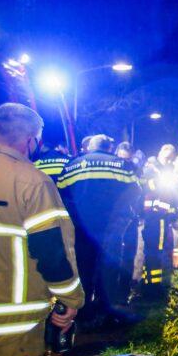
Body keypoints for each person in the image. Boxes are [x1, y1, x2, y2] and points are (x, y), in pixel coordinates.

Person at [0, 103, 84, 356]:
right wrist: (71, 301)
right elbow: (52, 253)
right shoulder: (30, 181)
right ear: (32, 141)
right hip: (11, 324)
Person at [57, 134, 141, 327]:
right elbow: (136, 193)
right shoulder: (122, 165)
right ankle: (107, 310)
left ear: (89, 147)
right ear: (110, 148)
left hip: (82, 228)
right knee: (108, 268)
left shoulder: (72, 165)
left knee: (83, 268)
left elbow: (61, 194)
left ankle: (84, 313)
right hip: (111, 228)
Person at [140, 145, 178, 293]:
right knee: (154, 251)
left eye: (171, 160)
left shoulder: (163, 170)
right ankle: (152, 288)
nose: (169, 162)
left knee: (155, 251)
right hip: (155, 217)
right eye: (168, 159)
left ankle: (150, 283)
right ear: (161, 154)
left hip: (160, 217)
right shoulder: (151, 168)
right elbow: (149, 188)